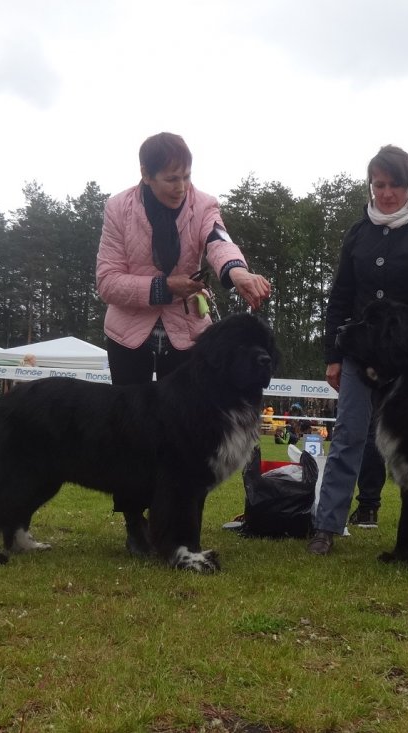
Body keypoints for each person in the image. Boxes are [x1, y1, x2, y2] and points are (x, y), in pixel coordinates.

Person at [96, 131, 271, 555]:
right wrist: (162, 287)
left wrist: (238, 274)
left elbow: (218, 243)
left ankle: (180, 527)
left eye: (187, 176)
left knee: (190, 440)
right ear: (146, 175)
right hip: (129, 336)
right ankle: (136, 524)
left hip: (187, 335)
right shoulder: (118, 208)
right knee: (131, 437)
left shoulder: (203, 204)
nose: (181, 187)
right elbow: (107, 281)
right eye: (171, 178)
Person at [307, 144, 408, 555]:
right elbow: (340, 297)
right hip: (360, 352)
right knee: (350, 434)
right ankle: (326, 526)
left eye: (394, 184)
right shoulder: (358, 232)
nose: (385, 193)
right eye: (379, 184)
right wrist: (333, 354)